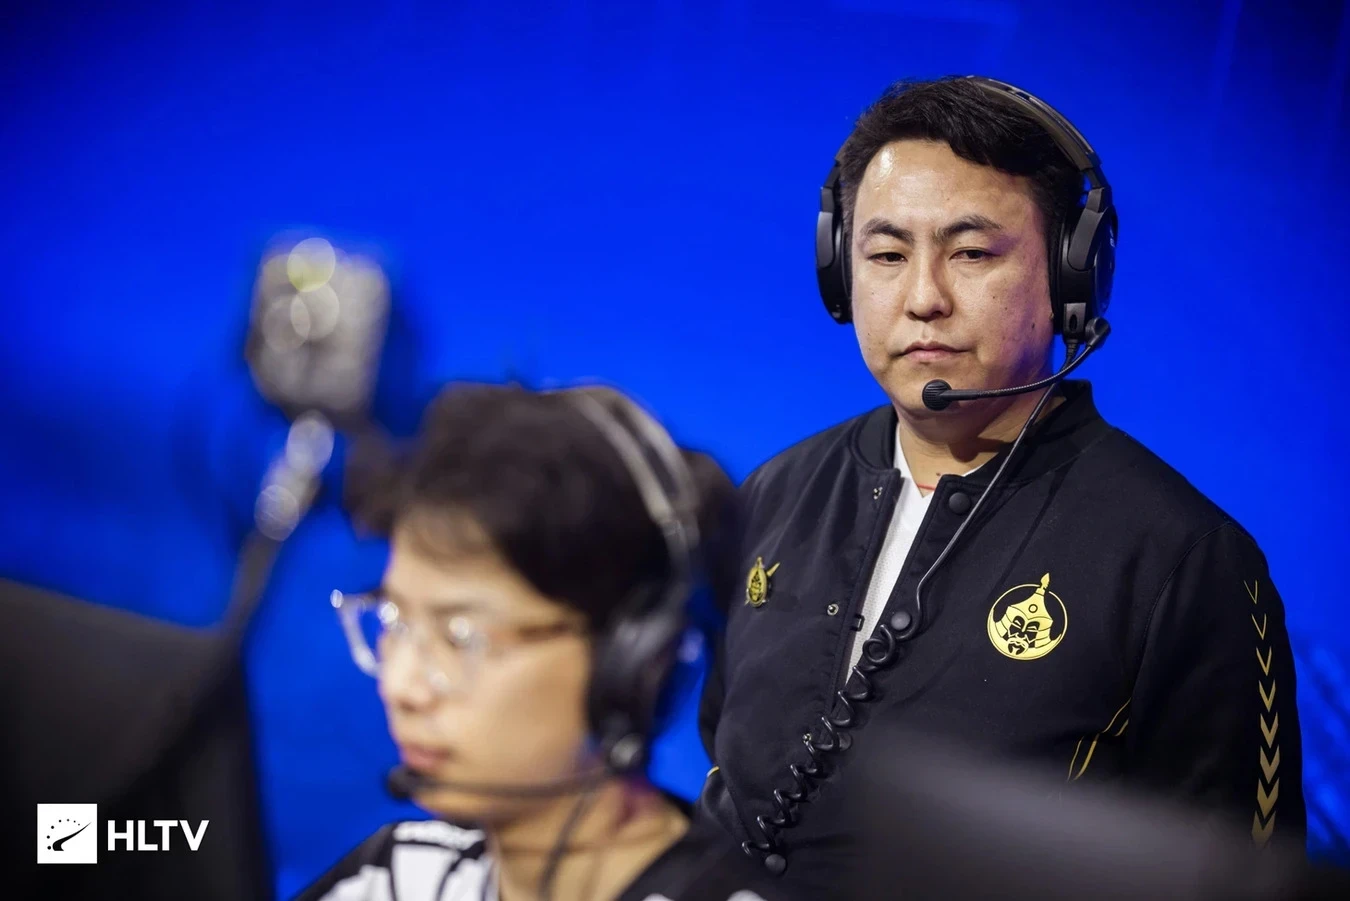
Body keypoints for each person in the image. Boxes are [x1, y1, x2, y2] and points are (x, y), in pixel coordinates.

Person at [694, 75, 1305, 894]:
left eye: (972, 253)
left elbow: (1241, 879)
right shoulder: (775, 493)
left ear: (1072, 277)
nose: (924, 298)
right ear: (840, 271)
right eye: (886, 255)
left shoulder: (1184, 559)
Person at [296, 383, 787, 901]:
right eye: (394, 621)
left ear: (633, 663)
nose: (400, 687)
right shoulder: (390, 881)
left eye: (461, 636)